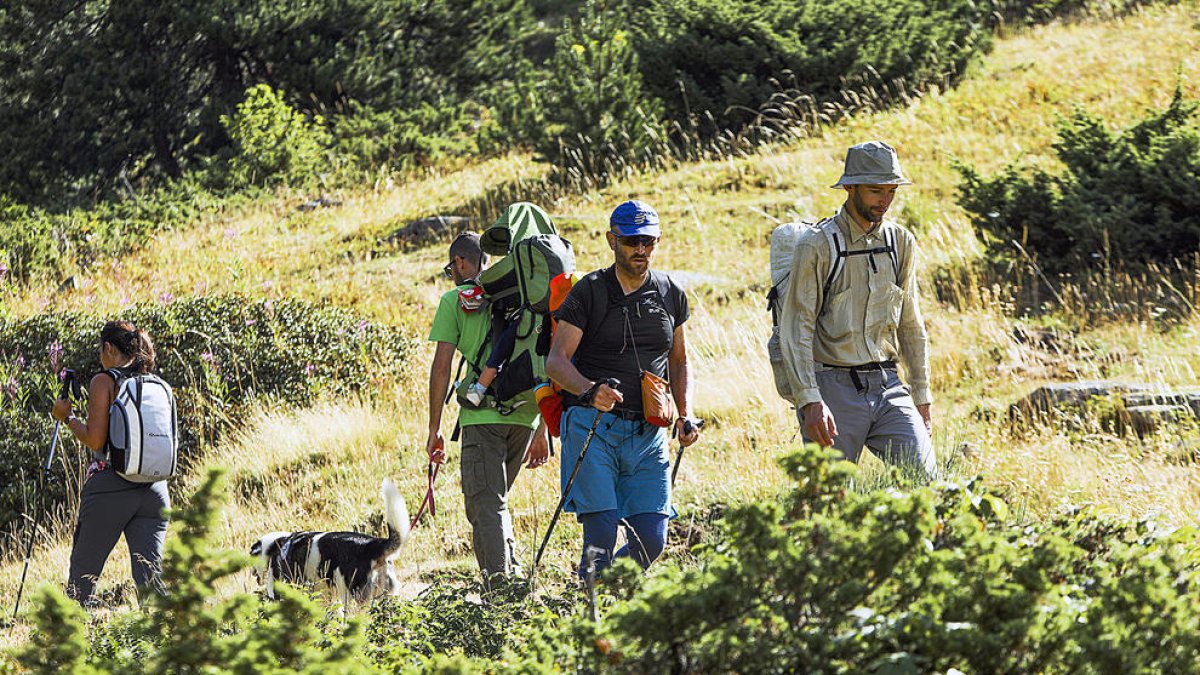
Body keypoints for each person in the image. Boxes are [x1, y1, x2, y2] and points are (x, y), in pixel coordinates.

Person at [545, 200, 700, 580]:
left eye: (648, 241)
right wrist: (589, 390)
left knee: (652, 538)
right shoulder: (589, 292)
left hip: (649, 433)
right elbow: (556, 362)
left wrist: (685, 413)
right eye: (632, 241)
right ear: (612, 240)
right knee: (600, 533)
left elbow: (679, 361)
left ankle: (606, 594)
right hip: (592, 425)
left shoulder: (671, 293)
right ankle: (593, 616)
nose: (641, 250)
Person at [778, 140, 936, 477]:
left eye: (892, 190)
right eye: (876, 190)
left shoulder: (901, 242)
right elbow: (797, 328)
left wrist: (922, 394)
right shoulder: (817, 244)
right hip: (831, 386)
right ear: (849, 187)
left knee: (927, 482)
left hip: (889, 385)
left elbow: (911, 323)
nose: (885, 200)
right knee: (828, 501)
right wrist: (810, 400)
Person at [425, 232, 550, 581]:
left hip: (483, 418)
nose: (453, 273)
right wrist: (543, 428)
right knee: (496, 506)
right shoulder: (524, 301)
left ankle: (502, 596)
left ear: (462, 262)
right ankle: (513, 578)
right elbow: (547, 359)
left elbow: (441, 367)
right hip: (526, 416)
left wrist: (434, 429)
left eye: (452, 267)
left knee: (486, 507)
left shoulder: (454, 301)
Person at [51, 321, 169, 605]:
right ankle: (167, 642)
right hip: (155, 490)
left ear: (108, 347)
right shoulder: (156, 382)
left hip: (110, 488)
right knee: (151, 582)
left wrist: (66, 418)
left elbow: (94, 440)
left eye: (100, 350)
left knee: (82, 579)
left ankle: (71, 643)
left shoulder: (104, 382)